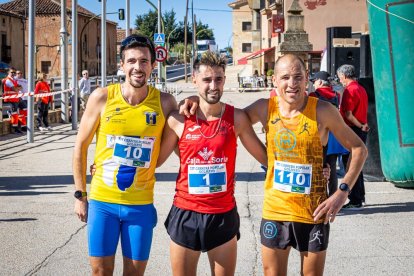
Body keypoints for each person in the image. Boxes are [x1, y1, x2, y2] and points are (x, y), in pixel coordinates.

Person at [180, 54, 353, 276]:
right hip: (275, 211)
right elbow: (227, 115)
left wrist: (341, 192)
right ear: (274, 81)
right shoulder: (264, 108)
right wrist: (196, 99)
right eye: (285, 77)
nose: (292, 83)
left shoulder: (323, 110)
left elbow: (359, 149)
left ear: (307, 78)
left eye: (298, 77)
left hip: (313, 212)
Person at [72, 34, 177, 275]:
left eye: (143, 61)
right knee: (100, 272)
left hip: (139, 205)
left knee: (134, 273)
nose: (137, 68)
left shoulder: (165, 102)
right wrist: (80, 194)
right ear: (122, 65)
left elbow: (173, 145)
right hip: (102, 203)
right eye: (131, 61)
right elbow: (80, 146)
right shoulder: (102, 97)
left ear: (153, 65)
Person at [157, 51, 267, 276]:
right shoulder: (178, 120)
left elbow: (267, 158)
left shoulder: (236, 118)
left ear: (225, 80)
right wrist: (105, 163)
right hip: (186, 212)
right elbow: (155, 161)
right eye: (206, 80)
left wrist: (317, 167)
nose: (213, 86)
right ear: (194, 80)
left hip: (222, 214)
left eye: (218, 79)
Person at [309, 71, 348, 196]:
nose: (314, 84)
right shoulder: (337, 94)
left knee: (319, 168)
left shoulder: (313, 95)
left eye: (314, 81)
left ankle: (321, 197)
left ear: (320, 82)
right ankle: (332, 197)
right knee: (332, 169)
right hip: (336, 137)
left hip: (321, 137)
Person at [337, 64, 369, 210]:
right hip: (361, 127)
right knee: (358, 164)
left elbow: (349, 114)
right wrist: (363, 124)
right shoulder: (361, 88)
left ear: (343, 76)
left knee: (350, 165)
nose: (340, 80)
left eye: (339, 77)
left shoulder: (350, 90)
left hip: (353, 130)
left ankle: (355, 199)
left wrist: (360, 125)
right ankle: (359, 197)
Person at [2, 68, 24, 133]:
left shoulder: (13, 80)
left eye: (14, 72)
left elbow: (21, 87)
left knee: (17, 113)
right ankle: (15, 129)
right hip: (10, 99)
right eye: (12, 72)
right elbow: (16, 89)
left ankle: (19, 127)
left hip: (15, 99)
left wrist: (17, 88)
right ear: (8, 73)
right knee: (14, 113)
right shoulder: (7, 80)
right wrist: (17, 88)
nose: (13, 74)